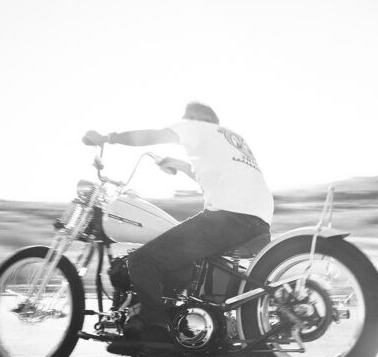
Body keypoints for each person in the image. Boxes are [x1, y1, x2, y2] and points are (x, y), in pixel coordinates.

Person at [82, 102, 273, 343]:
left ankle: (156, 329)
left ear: (196, 119)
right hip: (259, 221)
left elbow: (153, 135)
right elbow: (211, 174)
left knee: (141, 260)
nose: (182, 126)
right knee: (175, 259)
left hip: (228, 217)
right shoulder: (229, 139)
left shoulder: (196, 127)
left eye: (185, 120)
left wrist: (107, 138)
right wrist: (180, 165)